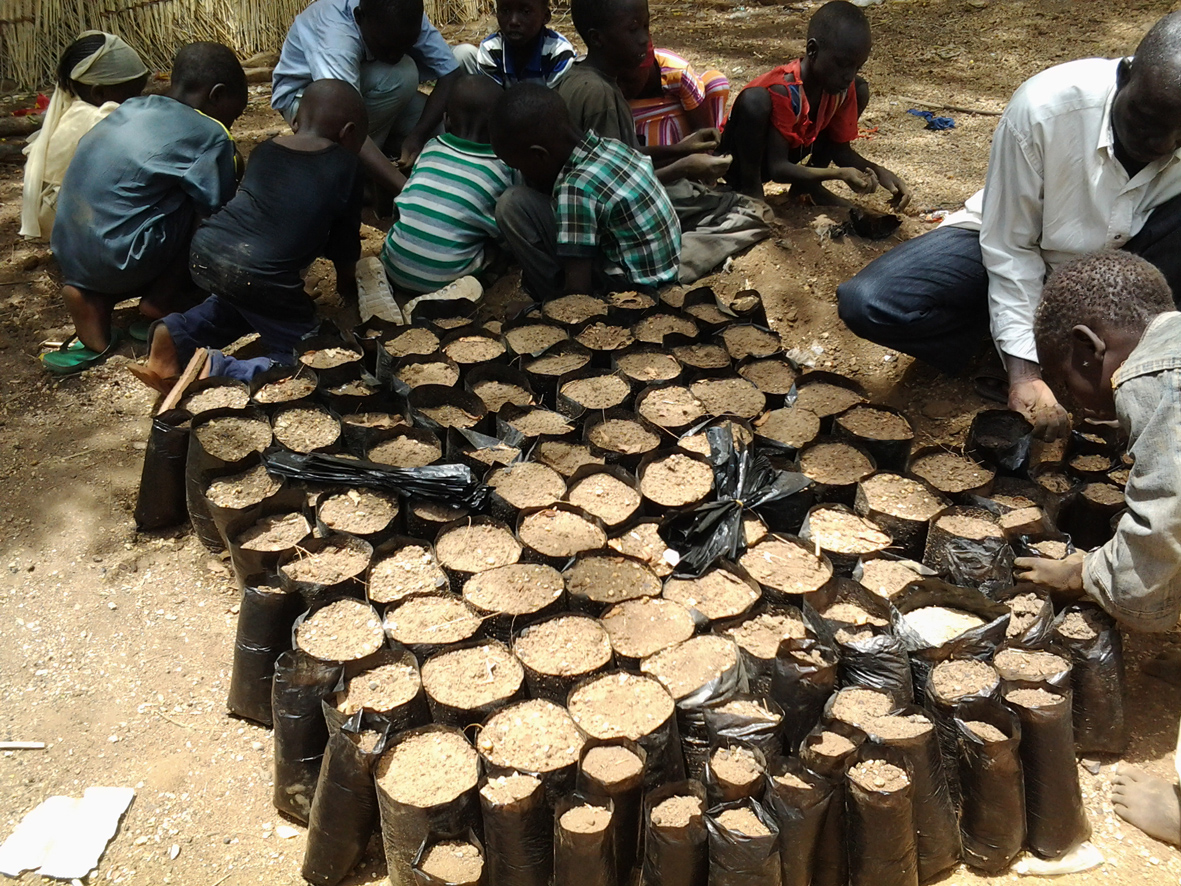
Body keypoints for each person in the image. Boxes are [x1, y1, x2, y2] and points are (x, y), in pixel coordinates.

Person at [837, 11, 1181, 440]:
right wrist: (1022, 370)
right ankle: (1003, 347)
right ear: (1125, 76)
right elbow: (1010, 246)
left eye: (1175, 132)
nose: (1157, 143)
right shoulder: (1045, 110)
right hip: (1024, 240)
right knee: (868, 302)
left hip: (1128, 263)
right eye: (1144, 120)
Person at [1012, 251, 1181, 849]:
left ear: (1089, 349)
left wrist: (1087, 572)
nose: (1075, 404)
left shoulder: (1159, 384)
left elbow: (1165, 527)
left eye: (1065, 383)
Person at [130, 80, 368, 390]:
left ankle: (175, 334)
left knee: (239, 305)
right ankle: (224, 368)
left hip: (208, 250)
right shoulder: (346, 166)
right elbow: (344, 241)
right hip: (260, 273)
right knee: (313, 354)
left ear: (295, 121)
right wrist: (348, 286)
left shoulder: (265, 150)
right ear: (348, 133)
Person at [45, 41, 247, 375]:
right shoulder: (211, 135)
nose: (233, 125)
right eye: (236, 115)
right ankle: (162, 298)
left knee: (139, 203)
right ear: (217, 95)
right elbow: (219, 212)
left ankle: (93, 300)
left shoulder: (132, 108)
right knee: (199, 201)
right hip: (125, 257)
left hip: (70, 251)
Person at [490, 83, 680, 300]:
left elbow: (579, 291)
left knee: (510, 206)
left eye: (521, 166)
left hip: (634, 295)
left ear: (539, 155)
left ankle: (551, 301)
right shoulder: (614, 147)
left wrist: (570, 303)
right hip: (664, 275)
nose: (522, 174)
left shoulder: (575, 188)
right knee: (518, 201)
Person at [719, 0, 910, 208]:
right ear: (812, 50)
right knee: (755, 101)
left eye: (857, 67)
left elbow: (840, 150)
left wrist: (878, 171)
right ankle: (751, 191)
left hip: (787, 156)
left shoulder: (839, 90)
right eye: (842, 64)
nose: (848, 76)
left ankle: (808, 187)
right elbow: (778, 168)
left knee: (860, 89)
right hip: (740, 160)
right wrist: (838, 174)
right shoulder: (784, 90)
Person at [271, 0, 459, 197]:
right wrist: (405, 192)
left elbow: (451, 73)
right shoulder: (335, 35)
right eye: (387, 46)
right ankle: (355, 173)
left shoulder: (403, 13)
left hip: (365, 91)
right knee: (402, 73)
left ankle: (374, 161)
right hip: (308, 105)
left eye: (406, 46)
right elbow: (339, 116)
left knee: (437, 131)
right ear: (360, 17)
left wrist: (417, 136)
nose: (396, 55)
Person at [555, 0, 730, 184]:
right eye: (633, 30)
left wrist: (681, 148)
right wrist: (683, 168)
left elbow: (627, 155)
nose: (644, 39)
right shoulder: (599, 96)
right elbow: (614, 187)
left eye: (646, 26)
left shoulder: (584, 77)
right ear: (597, 38)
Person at [381, 75, 514, 294]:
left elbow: (401, 207)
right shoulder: (502, 168)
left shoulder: (431, 147)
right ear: (500, 126)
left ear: (446, 119)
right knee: (496, 249)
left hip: (394, 268)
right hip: (447, 279)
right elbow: (503, 233)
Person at [20, 31, 148, 241]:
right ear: (99, 94)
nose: (139, 100)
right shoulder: (99, 118)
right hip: (72, 225)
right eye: (134, 94)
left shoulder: (76, 108)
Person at [619, 43, 729, 148]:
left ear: (647, 67)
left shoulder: (677, 71)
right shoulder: (611, 81)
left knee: (717, 83)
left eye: (627, 80)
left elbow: (702, 130)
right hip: (642, 137)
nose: (620, 88)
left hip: (680, 127)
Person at [452, 0, 576, 88]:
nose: (513, 21)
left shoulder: (558, 53)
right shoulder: (491, 49)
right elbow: (493, 104)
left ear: (545, 16)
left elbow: (555, 108)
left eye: (525, 12)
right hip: (504, 117)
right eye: (505, 11)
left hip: (544, 120)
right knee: (461, 54)